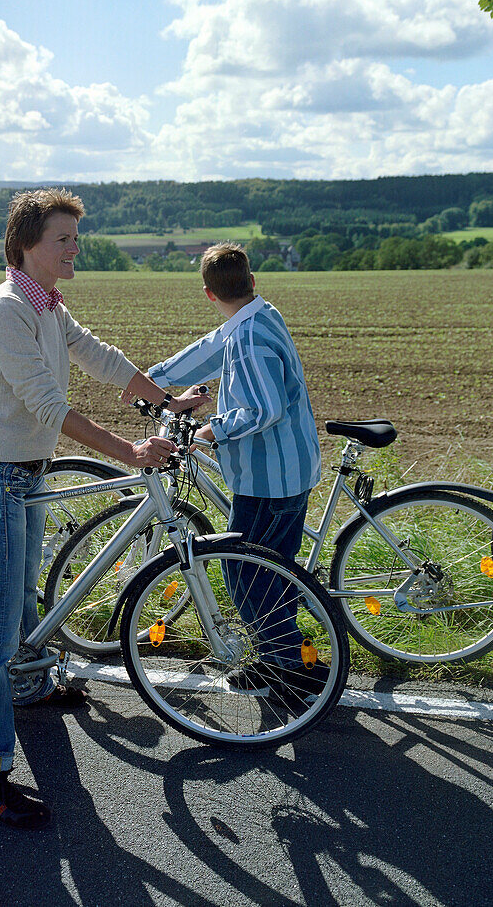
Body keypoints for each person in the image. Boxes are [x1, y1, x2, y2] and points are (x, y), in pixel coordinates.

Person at [0, 188, 208, 830]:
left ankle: (32, 683)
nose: (75, 247)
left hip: (27, 476)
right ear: (27, 244)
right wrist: (129, 449)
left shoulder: (48, 306)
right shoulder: (6, 310)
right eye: (63, 238)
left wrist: (168, 401)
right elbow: (48, 405)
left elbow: (99, 356)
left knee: (23, 598)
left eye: (76, 236)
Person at [147, 243, 325, 700]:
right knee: (272, 572)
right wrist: (153, 380)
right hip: (286, 469)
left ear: (208, 294)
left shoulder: (246, 338)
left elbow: (263, 408)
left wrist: (210, 430)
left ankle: (294, 672)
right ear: (251, 281)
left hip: (270, 479)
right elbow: (211, 347)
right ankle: (279, 658)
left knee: (245, 573)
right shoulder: (260, 316)